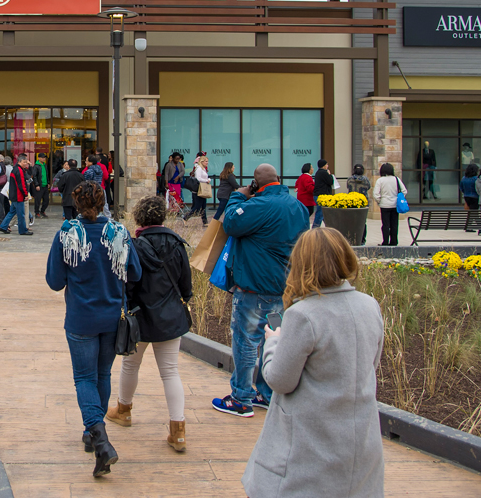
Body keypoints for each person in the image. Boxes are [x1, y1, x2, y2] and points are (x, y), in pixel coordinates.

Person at [242, 228, 384, 498]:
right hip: (360, 442)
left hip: (311, 447)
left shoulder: (303, 315)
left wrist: (273, 340)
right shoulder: (369, 305)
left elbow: (279, 380)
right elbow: (371, 364)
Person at [45, 181, 142, 478]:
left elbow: (54, 281)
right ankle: (93, 432)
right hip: (112, 317)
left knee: (84, 378)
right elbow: (135, 273)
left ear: (76, 203)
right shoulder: (119, 232)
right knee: (102, 375)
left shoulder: (67, 233)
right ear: (102, 202)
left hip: (80, 319)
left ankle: (99, 439)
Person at [211, 163, 309, 418]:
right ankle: (266, 394)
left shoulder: (258, 206)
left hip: (254, 290)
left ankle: (241, 398)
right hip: (283, 292)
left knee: (246, 341)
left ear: (256, 183)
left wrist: (237, 195)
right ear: (277, 179)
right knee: (272, 338)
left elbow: (230, 223)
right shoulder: (297, 207)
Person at [107, 196, 193, 453]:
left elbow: (127, 284)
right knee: (170, 372)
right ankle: (178, 430)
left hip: (141, 316)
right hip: (170, 318)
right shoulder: (177, 244)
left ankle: (124, 410)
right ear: (162, 217)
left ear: (139, 218)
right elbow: (186, 285)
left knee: (130, 365)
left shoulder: (134, 245)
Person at [372, 163, 407, 247]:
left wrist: (379, 201)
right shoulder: (396, 179)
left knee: (385, 224)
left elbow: (376, 194)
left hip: (384, 205)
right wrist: (399, 198)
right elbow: (404, 191)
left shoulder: (380, 180)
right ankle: (394, 241)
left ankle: (385, 242)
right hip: (395, 205)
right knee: (394, 224)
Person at [0, 155, 34, 236]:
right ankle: (23, 230)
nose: (25, 164)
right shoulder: (19, 170)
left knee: (11, 212)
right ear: (19, 162)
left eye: (26, 162)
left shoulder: (15, 169)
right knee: (21, 214)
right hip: (18, 196)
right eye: (24, 162)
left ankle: (3, 226)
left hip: (14, 195)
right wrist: (25, 194)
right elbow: (21, 184)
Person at [183, 153, 210, 225]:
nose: (207, 163)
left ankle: (205, 221)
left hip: (203, 189)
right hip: (198, 190)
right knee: (197, 207)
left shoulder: (204, 169)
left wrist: (208, 179)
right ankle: (186, 217)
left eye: (207, 161)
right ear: (202, 162)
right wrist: (206, 180)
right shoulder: (198, 169)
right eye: (206, 161)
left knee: (203, 206)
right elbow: (198, 178)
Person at [311, 159, 335, 228]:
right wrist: (329, 175)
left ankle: (330, 226)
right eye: (326, 164)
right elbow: (330, 181)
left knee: (324, 214)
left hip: (318, 195)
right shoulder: (324, 173)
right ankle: (315, 228)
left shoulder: (318, 172)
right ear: (323, 166)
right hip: (322, 196)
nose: (327, 166)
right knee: (320, 213)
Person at [33, 153, 51, 219]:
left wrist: (48, 182)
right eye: (43, 157)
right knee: (38, 200)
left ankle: (42, 211)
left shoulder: (45, 165)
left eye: (45, 157)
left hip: (45, 185)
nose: (44, 159)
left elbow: (46, 175)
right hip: (39, 185)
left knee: (46, 200)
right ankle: (37, 212)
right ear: (39, 158)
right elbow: (34, 176)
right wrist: (36, 184)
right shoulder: (36, 166)